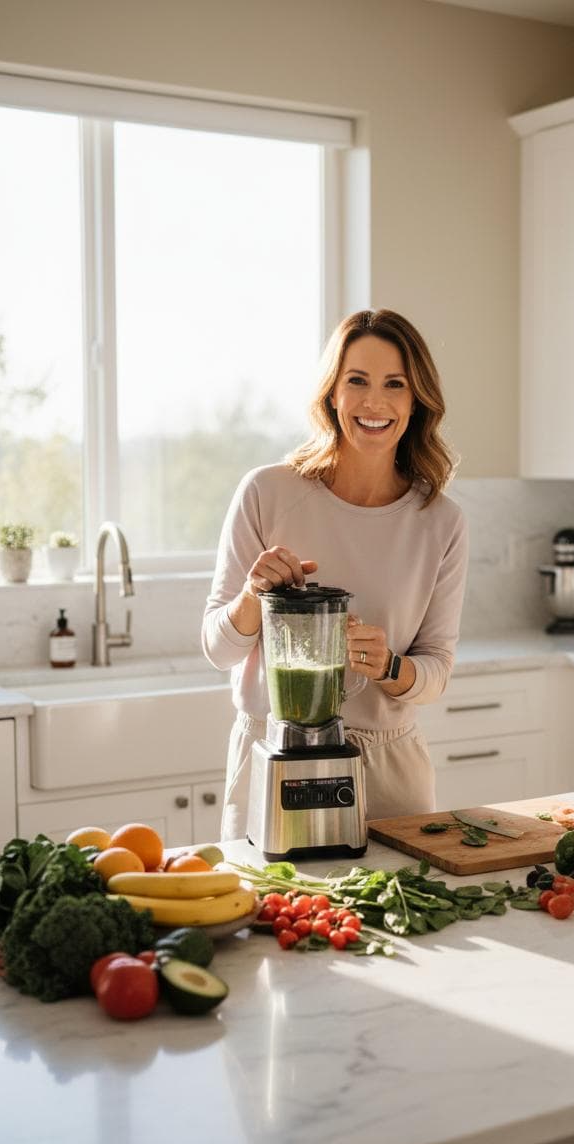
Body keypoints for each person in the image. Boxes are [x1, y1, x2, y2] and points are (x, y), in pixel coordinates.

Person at [202, 308, 469, 841]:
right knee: (271, 918)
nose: (375, 402)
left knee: (403, 922)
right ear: (332, 395)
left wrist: (389, 665)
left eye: (395, 384)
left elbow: (436, 668)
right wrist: (256, 595)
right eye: (357, 381)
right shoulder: (267, 492)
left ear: (417, 401)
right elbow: (219, 650)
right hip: (277, 756)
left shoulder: (441, 521)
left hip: (390, 773)